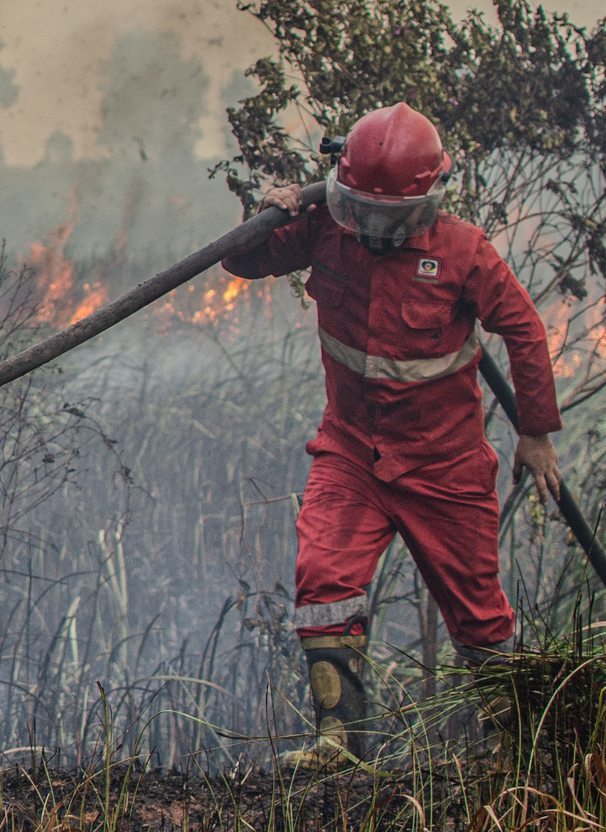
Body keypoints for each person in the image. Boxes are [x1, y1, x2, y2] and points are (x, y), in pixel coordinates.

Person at [225, 103, 560, 770]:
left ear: (431, 194)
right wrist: (268, 213)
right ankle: (340, 747)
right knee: (323, 577)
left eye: (391, 218)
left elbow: (524, 330)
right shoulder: (324, 229)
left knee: (480, 619)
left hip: (447, 467)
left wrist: (537, 433)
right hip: (351, 451)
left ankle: (524, 758)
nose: (374, 231)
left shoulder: (464, 252)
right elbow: (243, 265)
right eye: (363, 213)